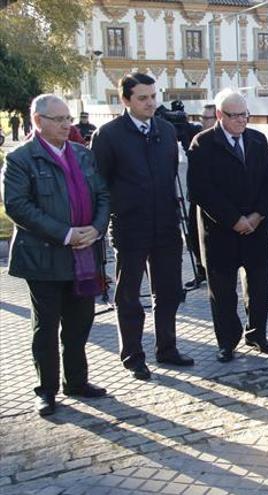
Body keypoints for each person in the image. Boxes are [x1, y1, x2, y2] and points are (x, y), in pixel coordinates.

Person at [1, 94, 110, 416]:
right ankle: (46, 390)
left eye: (68, 119)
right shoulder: (22, 159)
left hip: (85, 254)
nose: (67, 125)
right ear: (38, 121)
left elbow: (103, 194)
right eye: (59, 119)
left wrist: (96, 227)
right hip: (44, 258)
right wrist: (65, 234)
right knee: (46, 327)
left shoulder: (82, 154)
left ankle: (76, 381)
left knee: (80, 324)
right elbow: (18, 206)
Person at [91, 72, 194, 380]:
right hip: (129, 227)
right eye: (143, 98)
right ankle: (133, 355)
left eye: (153, 96)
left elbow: (171, 175)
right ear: (126, 100)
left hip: (165, 226)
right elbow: (99, 185)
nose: (151, 103)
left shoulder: (164, 130)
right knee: (129, 294)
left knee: (170, 291)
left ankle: (167, 348)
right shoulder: (108, 135)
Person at [188, 89, 268, 363]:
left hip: (256, 229)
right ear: (219, 115)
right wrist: (234, 219)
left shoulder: (258, 140)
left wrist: (257, 215)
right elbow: (201, 190)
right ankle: (227, 341)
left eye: (245, 114)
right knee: (223, 291)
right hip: (220, 232)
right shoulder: (202, 144)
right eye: (235, 115)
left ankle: (258, 334)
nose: (242, 120)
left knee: (259, 285)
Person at [183, 103, 217, 291]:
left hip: (217, 203)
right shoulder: (197, 139)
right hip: (196, 198)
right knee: (193, 235)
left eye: (207, 118)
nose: (202, 122)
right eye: (202, 118)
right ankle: (200, 269)